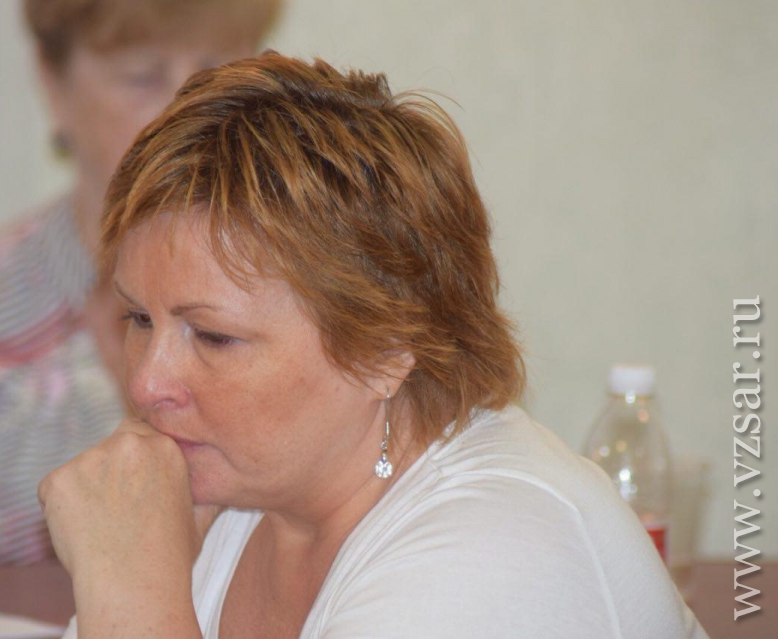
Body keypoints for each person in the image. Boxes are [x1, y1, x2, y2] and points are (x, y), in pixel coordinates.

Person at [39, 52, 708, 637]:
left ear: (385, 348)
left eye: (213, 336)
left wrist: (129, 586)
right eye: (138, 319)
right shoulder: (239, 489)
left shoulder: (497, 551)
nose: (146, 384)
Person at [0, 0, 281, 566]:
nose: (188, 108)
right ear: (53, 84)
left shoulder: (307, 289)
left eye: (215, 70)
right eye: (143, 76)